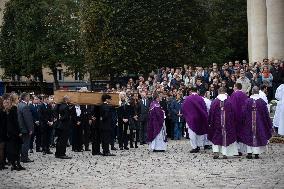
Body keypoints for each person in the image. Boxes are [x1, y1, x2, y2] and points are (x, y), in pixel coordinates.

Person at [239, 87, 273, 159]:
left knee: (249, 135)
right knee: (258, 135)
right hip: (259, 123)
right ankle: (256, 153)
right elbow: (266, 114)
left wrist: (242, 121)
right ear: (258, 92)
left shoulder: (247, 101)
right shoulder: (262, 102)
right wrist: (268, 123)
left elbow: (243, 113)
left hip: (248, 123)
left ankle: (249, 153)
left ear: (252, 92)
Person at [208, 87, 238, 159]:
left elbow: (211, 113)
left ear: (218, 92)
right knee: (225, 137)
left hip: (216, 124)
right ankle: (225, 153)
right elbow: (233, 112)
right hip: (227, 123)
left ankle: (216, 152)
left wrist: (210, 122)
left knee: (216, 137)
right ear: (225, 92)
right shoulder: (229, 101)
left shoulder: (214, 102)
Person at [182, 87, 209, 153]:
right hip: (199, 118)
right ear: (197, 91)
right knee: (199, 132)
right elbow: (204, 108)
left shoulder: (187, 99)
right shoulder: (201, 98)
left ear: (191, 91)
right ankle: (199, 145)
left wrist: (186, 116)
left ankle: (194, 147)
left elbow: (183, 108)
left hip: (190, 118)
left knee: (192, 132)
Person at [5, 94, 25, 170]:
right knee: (17, 149)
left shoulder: (9, 108)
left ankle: (15, 164)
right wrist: (19, 132)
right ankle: (16, 164)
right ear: (15, 99)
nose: (18, 100)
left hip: (11, 132)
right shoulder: (14, 108)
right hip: (15, 132)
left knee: (14, 148)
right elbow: (15, 122)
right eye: (17, 98)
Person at [229, 83, 248, 155]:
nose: (233, 88)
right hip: (243, 117)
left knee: (236, 133)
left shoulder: (234, 94)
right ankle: (243, 149)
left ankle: (237, 150)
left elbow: (232, 106)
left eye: (234, 86)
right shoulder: (244, 95)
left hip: (235, 117)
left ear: (236, 87)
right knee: (242, 132)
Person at [17, 92, 34, 163]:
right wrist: (30, 129)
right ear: (26, 97)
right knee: (25, 144)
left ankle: (22, 157)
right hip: (25, 129)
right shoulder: (25, 106)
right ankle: (25, 158)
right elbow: (27, 119)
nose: (29, 98)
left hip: (21, 128)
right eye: (28, 97)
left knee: (23, 144)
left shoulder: (19, 105)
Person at [0, 96, 7, 170]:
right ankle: (1, 164)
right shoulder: (2, 111)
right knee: (1, 149)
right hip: (2, 132)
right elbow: (4, 123)